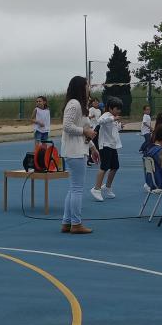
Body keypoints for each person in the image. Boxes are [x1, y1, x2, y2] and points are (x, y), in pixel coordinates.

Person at [60, 76, 98, 234]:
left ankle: (67, 222)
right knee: (77, 189)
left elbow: (83, 130)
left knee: (73, 188)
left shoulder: (80, 105)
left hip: (77, 150)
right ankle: (76, 223)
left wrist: (93, 148)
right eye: (87, 85)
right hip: (74, 152)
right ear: (80, 87)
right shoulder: (74, 104)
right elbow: (67, 126)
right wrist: (85, 131)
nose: (89, 87)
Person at [91, 96, 123, 201]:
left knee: (115, 167)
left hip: (113, 145)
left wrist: (119, 126)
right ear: (110, 108)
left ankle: (108, 187)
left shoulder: (114, 117)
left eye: (119, 109)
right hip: (105, 145)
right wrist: (113, 118)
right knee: (104, 167)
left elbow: (114, 129)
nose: (119, 111)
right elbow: (100, 121)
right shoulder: (106, 115)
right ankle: (96, 189)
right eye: (117, 109)